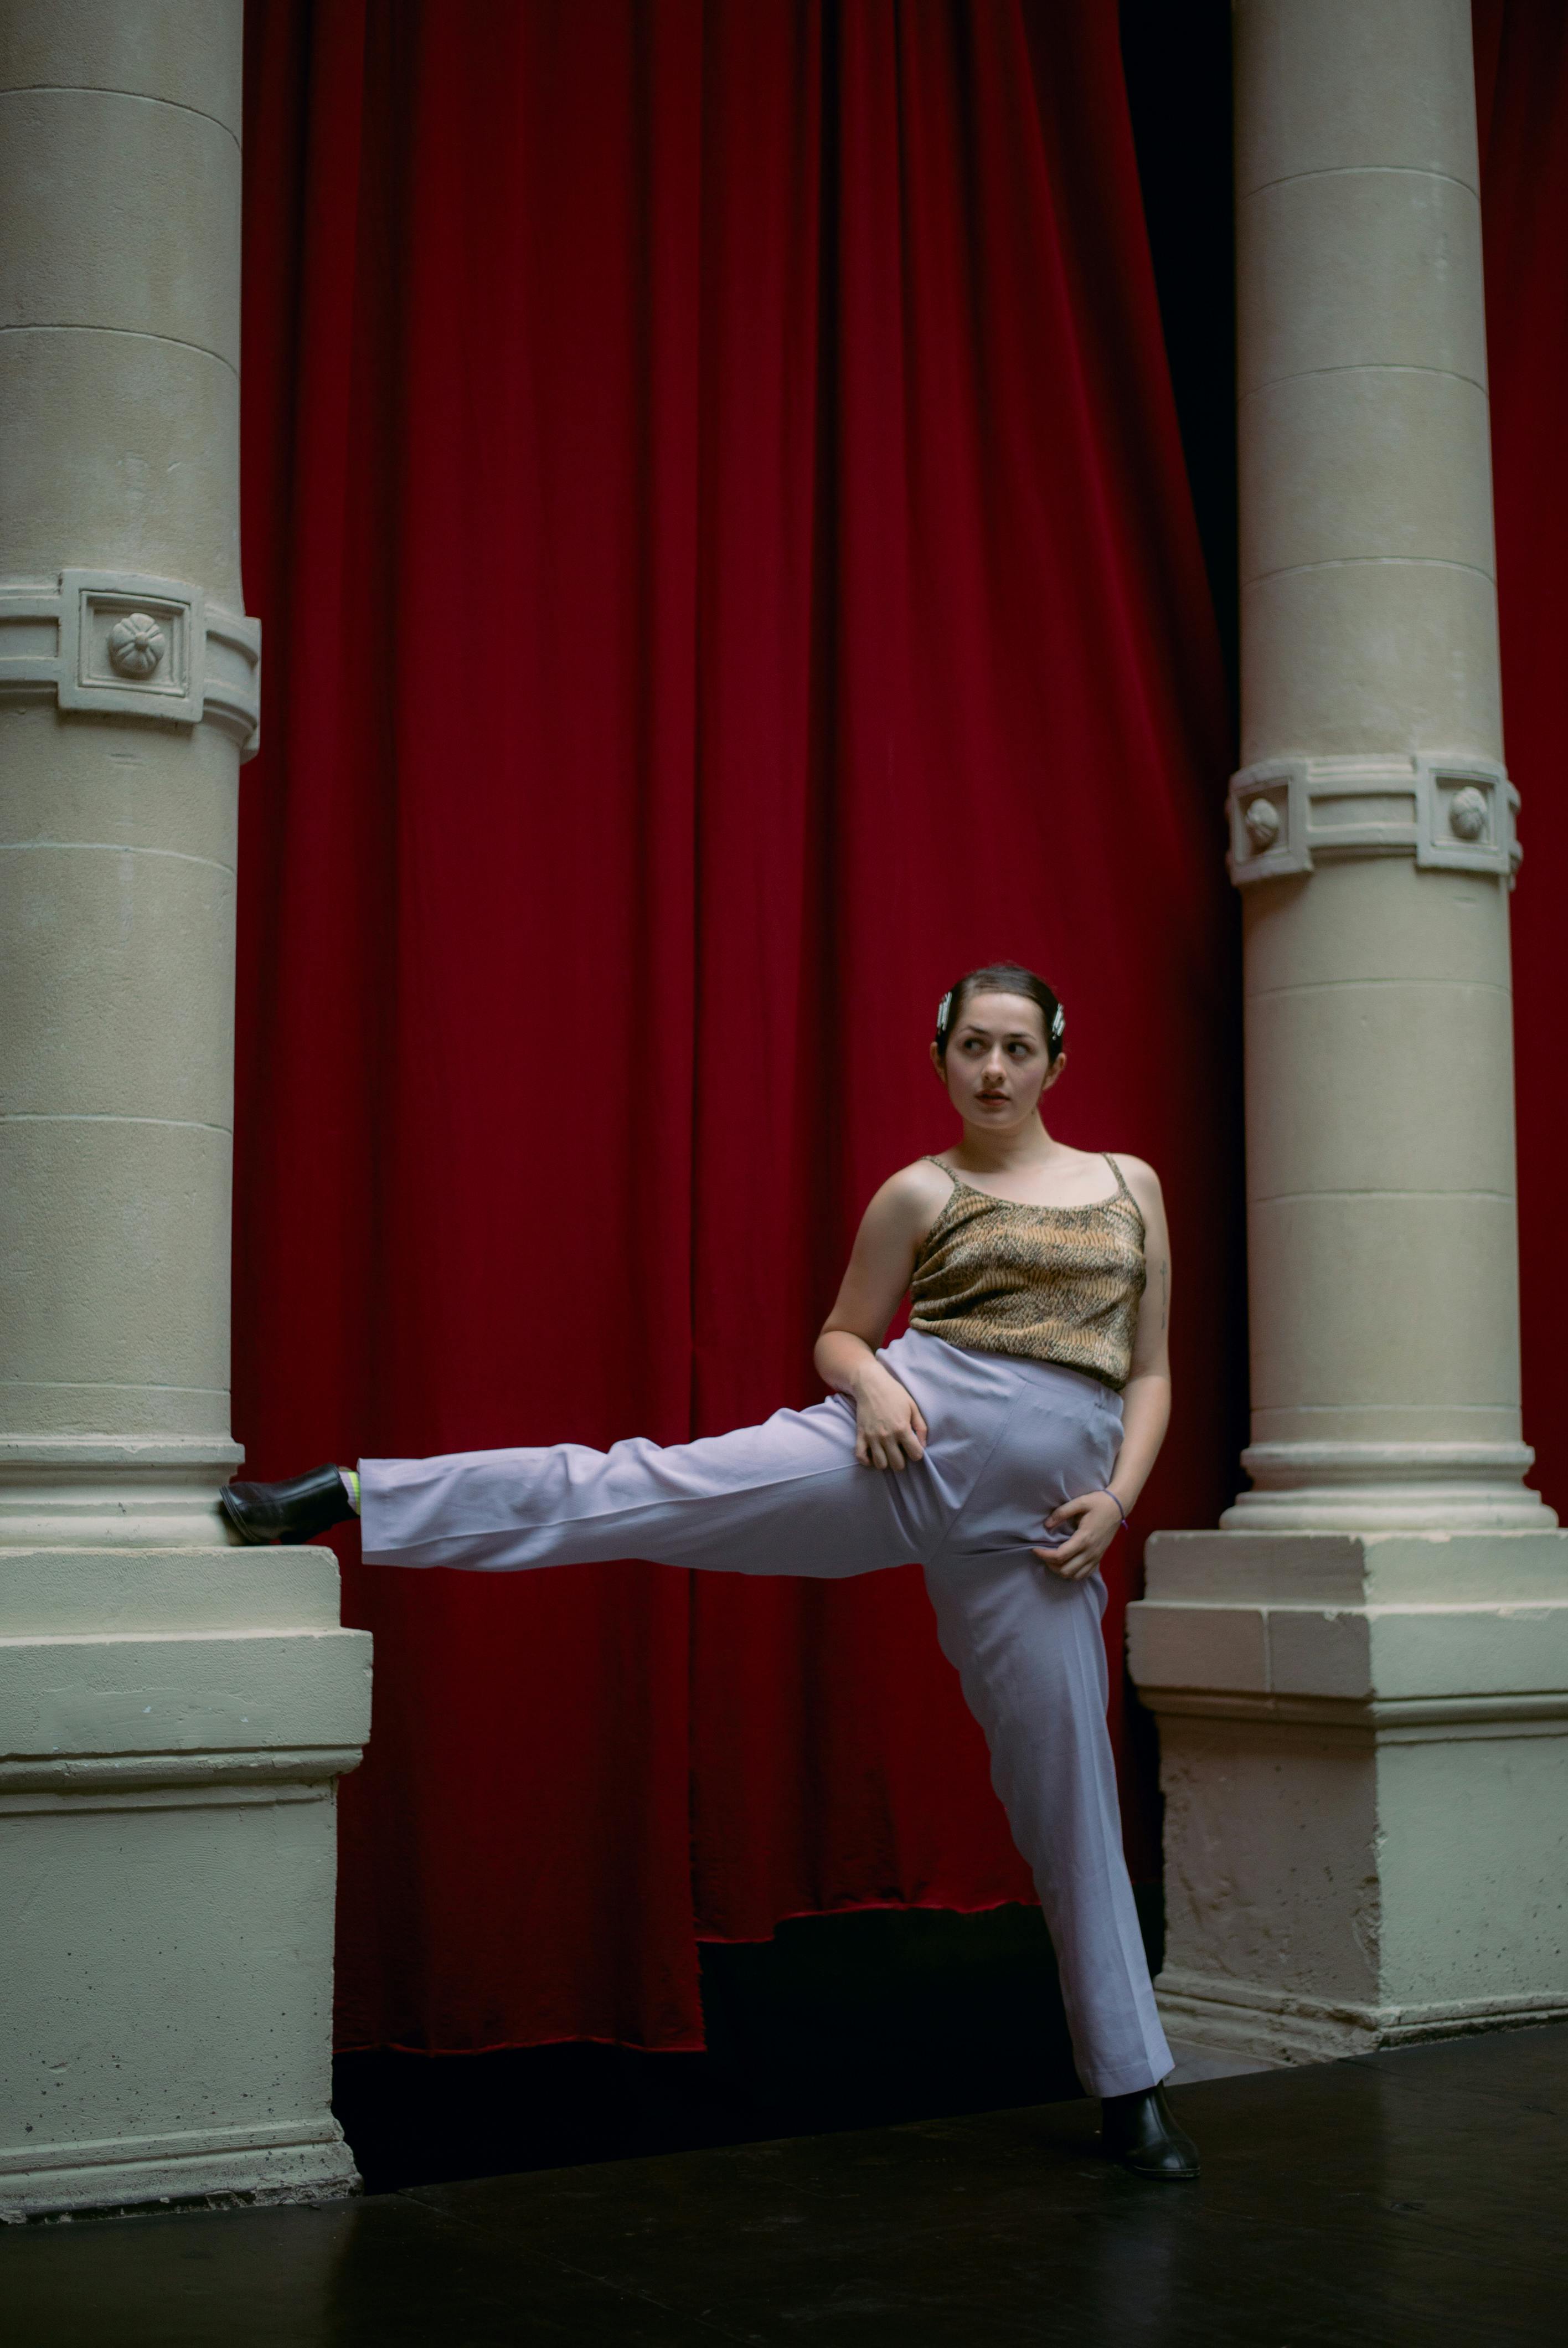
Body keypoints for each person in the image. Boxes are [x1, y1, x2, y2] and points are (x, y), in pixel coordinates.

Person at [223, 961, 1199, 2181]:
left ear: (1059, 1057)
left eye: (1015, 1047)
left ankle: (1131, 2091)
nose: (992, 1070)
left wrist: (1119, 1499)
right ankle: (358, 1494)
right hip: (901, 1455)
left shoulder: (1129, 1187)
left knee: (1073, 1804)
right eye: (970, 1047)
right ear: (940, 1055)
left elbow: (1149, 1372)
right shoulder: (919, 1190)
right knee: (640, 1482)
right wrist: (876, 1377)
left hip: (1045, 1533)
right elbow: (839, 1331)